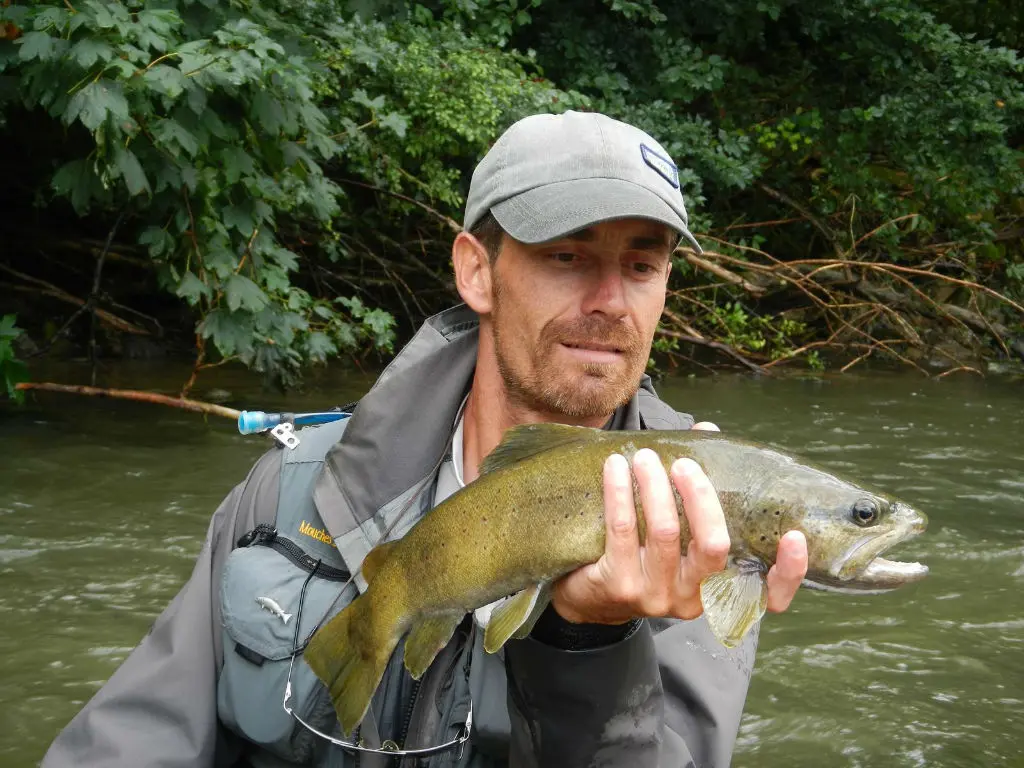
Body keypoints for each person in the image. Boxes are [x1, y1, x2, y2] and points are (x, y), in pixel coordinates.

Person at [42, 110, 808, 768]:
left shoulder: (701, 530)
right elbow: (131, 739)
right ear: (476, 271)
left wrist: (591, 645)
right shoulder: (291, 489)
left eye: (641, 265)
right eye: (566, 256)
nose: (611, 301)